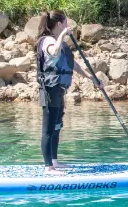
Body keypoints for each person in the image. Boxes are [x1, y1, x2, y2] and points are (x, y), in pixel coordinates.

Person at [35, 10, 98, 173]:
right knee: (48, 129)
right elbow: (53, 52)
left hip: (59, 89)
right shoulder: (47, 41)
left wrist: (89, 77)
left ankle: (54, 162)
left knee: (57, 126)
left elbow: (72, 64)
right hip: (49, 89)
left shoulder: (58, 41)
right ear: (59, 24)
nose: (68, 26)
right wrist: (63, 35)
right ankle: (48, 167)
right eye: (66, 23)